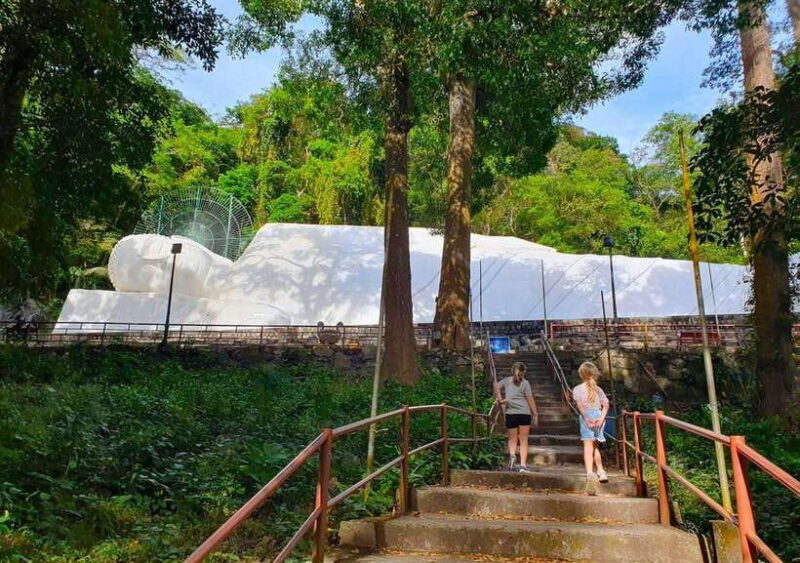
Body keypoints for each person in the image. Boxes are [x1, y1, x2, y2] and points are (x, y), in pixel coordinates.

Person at [495, 362, 539, 473]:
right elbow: (530, 399)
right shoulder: (525, 383)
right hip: (524, 413)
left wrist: (501, 400)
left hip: (511, 413)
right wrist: (535, 414)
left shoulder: (506, 381)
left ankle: (512, 457)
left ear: (512, 370)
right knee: (523, 439)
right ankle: (523, 465)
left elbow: (496, 385)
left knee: (512, 439)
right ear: (524, 372)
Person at [573, 361, 610, 484]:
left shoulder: (578, 389)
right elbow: (605, 404)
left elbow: (581, 406)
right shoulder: (598, 389)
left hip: (587, 418)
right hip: (598, 416)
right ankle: (601, 471)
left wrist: (587, 418)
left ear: (582, 375)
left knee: (588, 446)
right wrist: (602, 418)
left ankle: (590, 472)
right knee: (595, 446)